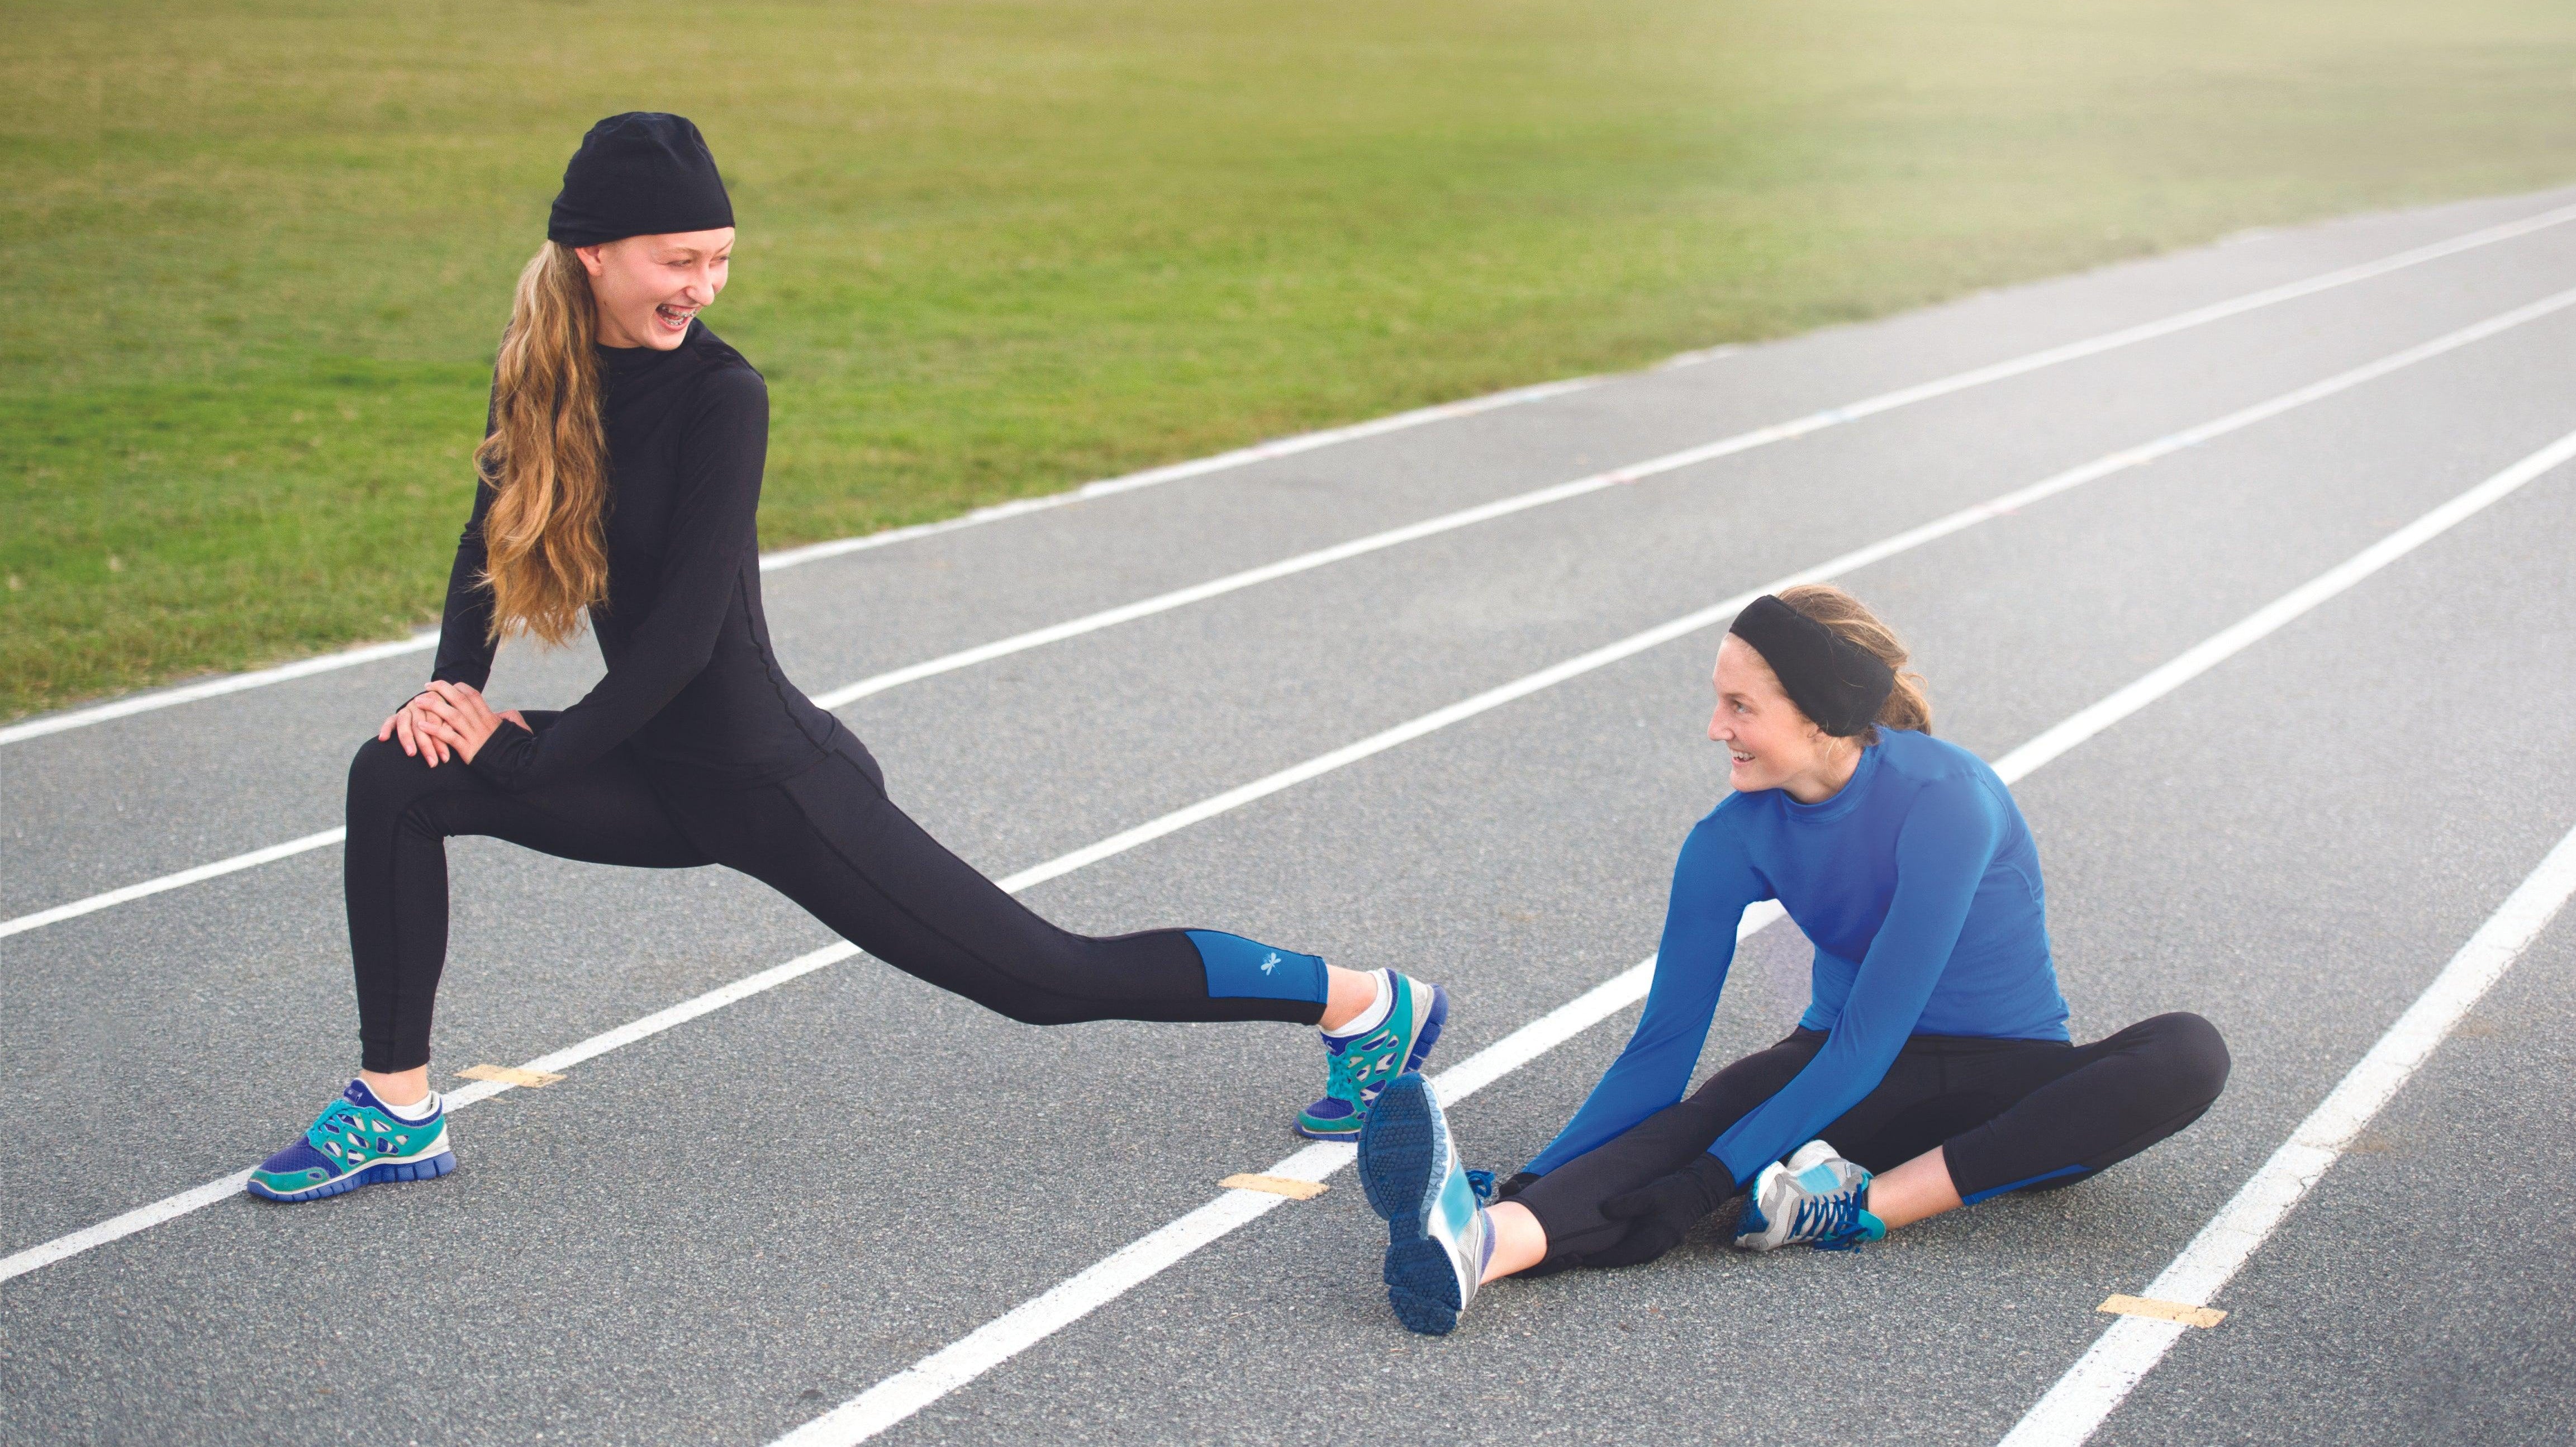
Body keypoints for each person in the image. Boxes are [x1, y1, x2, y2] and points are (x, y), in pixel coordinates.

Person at [247, 113, 1445, 1203]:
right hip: (645, 766)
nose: (702, 285)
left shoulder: (724, 395)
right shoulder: (542, 370)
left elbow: (678, 642)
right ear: (591, 256)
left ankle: (1364, 1002)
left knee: (1045, 977)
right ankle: (397, 1107)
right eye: (678, 259)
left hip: (770, 783)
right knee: (395, 772)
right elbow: (486, 540)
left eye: (719, 257)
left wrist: (524, 756)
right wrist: (457, 695)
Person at [1356, 585, 2229, 1334]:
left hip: (2005, 1083)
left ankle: (1849, 1208)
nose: (1713, 727)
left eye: (1740, 706)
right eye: (1717, 701)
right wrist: (1541, 1172)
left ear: (1819, 715)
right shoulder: (1726, 840)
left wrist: (1704, 1187)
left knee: (2187, 1051)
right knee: (1700, 1116)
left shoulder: (1947, 800)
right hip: (1838, 1062)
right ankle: (1483, 1238)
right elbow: (1659, 1052)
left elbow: (1870, 1043)